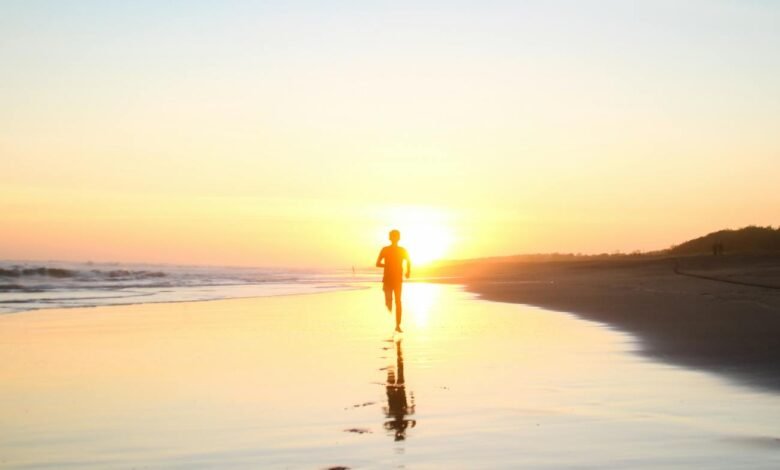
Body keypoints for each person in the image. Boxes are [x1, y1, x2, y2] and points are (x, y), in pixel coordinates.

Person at [376, 229, 411, 332]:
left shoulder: (403, 250)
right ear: (390, 238)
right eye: (393, 236)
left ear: (399, 238)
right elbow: (377, 263)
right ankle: (388, 303)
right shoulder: (385, 250)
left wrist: (408, 271)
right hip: (387, 279)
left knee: (398, 301)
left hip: (397, 279)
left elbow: (408, 261)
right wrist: (387, 265)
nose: (395, 238)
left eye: (396, 236)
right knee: (389, 301)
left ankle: (398, 325)